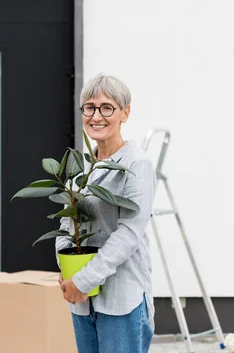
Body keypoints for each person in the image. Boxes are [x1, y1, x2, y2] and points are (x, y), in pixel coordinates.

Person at [56, 73, 156, 353]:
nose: (96, 116)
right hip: (82, 301)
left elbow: (129, 233)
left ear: (125, 113)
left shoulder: (137, 165)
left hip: (121, 300)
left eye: (107, 108)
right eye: (89, 107)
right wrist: (67, 272)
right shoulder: (82, 166)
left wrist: (83, 280)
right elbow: (67, 222)